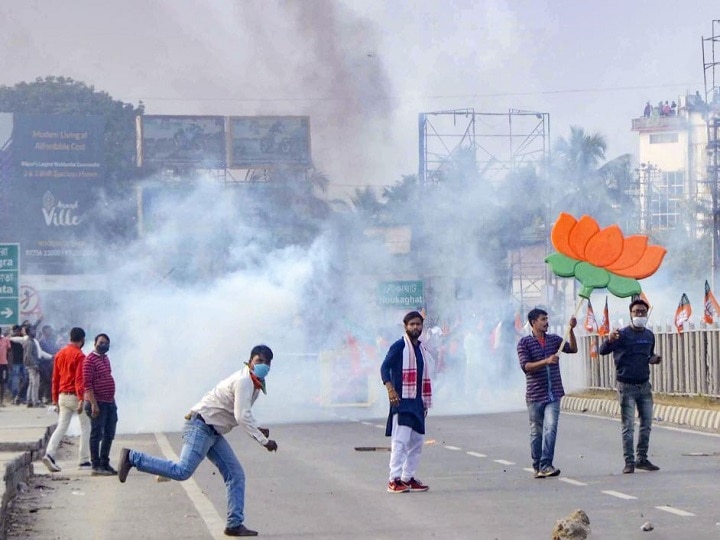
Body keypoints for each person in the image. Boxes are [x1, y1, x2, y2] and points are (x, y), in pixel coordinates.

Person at [116, 345, 277, 537]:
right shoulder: (244, 381)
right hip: (201, 426)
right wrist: (263, 441)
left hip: (213, 430)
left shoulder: (254, 383)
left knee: (235, 474)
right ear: (250, 361)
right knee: (182, 471)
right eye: (259, 361)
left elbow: (241, 413)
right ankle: (133, 457)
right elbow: (241, 416)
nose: (263, 365)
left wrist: (257, 429)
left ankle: (234, 524)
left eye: (267, 363)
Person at [598, 298, 661, 474]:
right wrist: (610, 340)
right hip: (626, 386)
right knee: (628, 426)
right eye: (636, 312)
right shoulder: (622, 334)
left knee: (646, 423)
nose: (639, 314)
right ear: (630, 314)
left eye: (642, 312)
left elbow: (648, 355)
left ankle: (642, 458)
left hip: (644, 385)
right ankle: (629, 461)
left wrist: (654, 359)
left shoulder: (649, 335)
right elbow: (603, 351)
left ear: (647, 314)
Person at [517, 308, 577, 478]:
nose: (546, 322)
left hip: (554, 393)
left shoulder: (554, 340)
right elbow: (526, 367)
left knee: (551, 428)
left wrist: (571, 330)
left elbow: (572, 349)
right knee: (536, 431)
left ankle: (546, 464)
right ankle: (537, 465)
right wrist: (546, 361)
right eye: (543, 319)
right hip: (535, 394)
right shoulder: (524, 343)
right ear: (533, 322)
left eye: (546, 319)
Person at [380, 311, 434, 494]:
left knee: (417, 442)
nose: (415, 327)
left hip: (418, 402)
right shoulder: (399, 346)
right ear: (405, 326)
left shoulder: (421, 349)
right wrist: (390, 388)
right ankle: (393, 480)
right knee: (400, 441)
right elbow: (384, 367)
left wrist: (424, 402)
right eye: (412, 324)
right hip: (402, 401)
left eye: (418, 324)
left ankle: (407, 477)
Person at [42, 327, 92, 472]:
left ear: (70, 337)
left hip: (62, 396)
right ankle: (83, 460)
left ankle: (49, 454)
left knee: (61, 426)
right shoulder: (80, 356)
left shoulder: (60, 354)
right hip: (76, 396)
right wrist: (82, 399)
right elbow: (79, 380)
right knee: (86, 427)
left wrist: (54, 399)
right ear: (82, 340)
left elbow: (55, 378)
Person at [83, 333, 118, 476]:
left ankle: (105, 462)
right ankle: (95, 465)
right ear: (95, 343)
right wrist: (94, 404)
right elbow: (87, 385)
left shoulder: (105, 359)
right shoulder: (89, 360)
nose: (104, 345)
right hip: (97, 403)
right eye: (101, 342)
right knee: (96, 434)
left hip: (109, 402)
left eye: (106, 343)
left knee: (109, 434)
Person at [8, 325, 25, 404]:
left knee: (25, 380)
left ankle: (21, 396)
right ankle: (15, 396)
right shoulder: (10, 340)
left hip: (23, 362)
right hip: (15, 362)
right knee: (15, 381)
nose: (18, 332)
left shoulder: (23, 338)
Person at [0, 327, 10, 405]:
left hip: (3, 365)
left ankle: (1, 400)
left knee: (3, 383)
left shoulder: (5, 340)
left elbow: (9, 352)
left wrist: (9, 363)